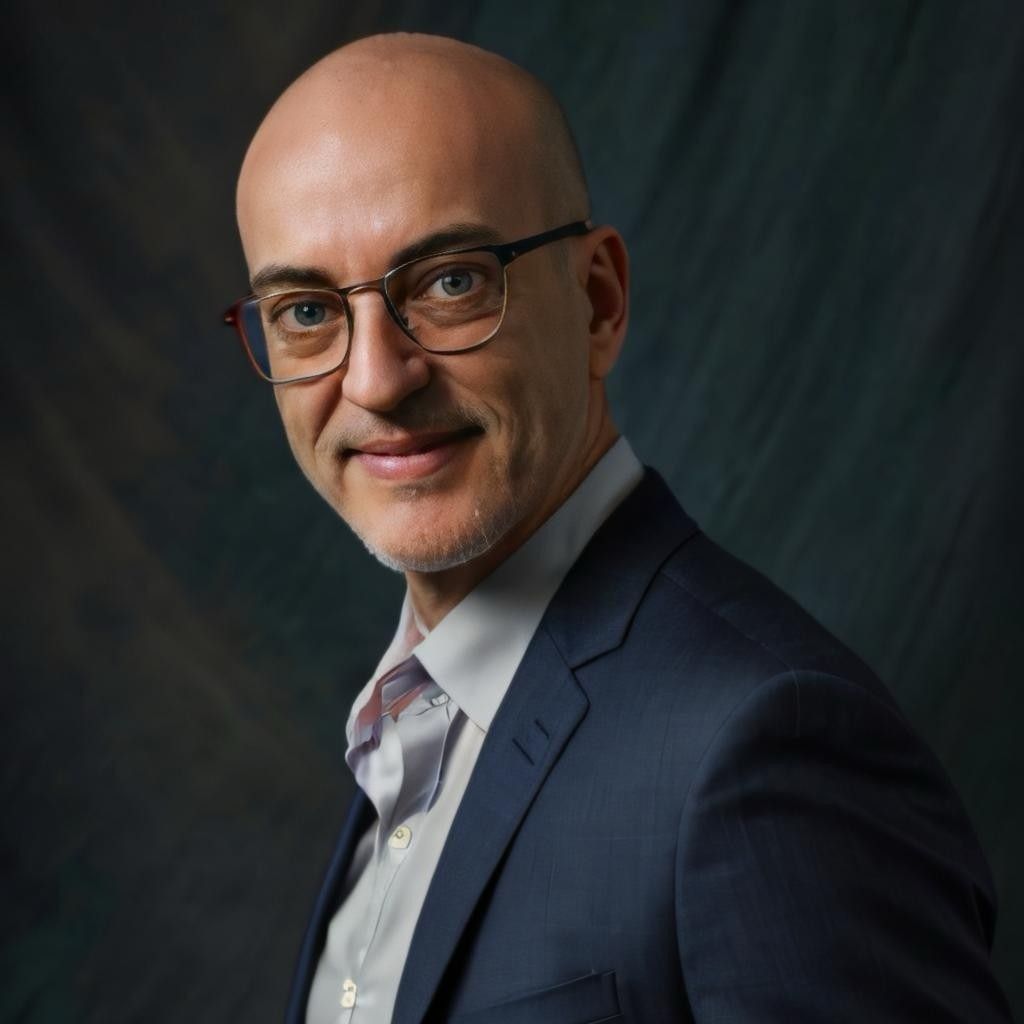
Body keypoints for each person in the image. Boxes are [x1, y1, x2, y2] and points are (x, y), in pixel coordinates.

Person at [225, 32, 1012, 1024]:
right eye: (305, 311)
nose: (376, 380)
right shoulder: (407, 727)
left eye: (450, 281)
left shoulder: (763, 743)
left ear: (598, 302)